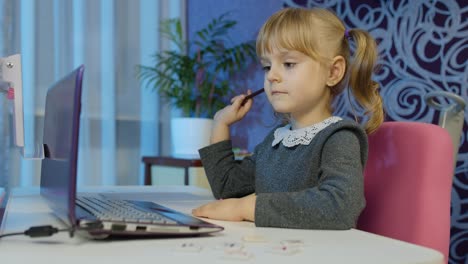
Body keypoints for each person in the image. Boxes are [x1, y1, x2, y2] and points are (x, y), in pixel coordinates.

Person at [191, 7, 384, 229]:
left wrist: (246, 208)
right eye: (267, 66)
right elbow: (228, 186)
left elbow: (339, 206)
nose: (272, 75)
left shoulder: (339, 137)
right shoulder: (277, 140)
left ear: (333, 72)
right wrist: (220, 124)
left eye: (289, 64)